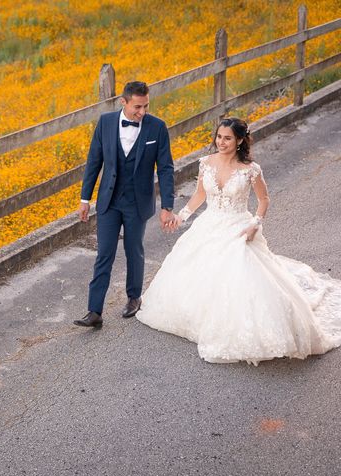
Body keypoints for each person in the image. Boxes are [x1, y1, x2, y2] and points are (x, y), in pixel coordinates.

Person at [137, 117, 341, 365]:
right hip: (209, 224)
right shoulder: (207, 163)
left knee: (240, 274)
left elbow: (264, 200)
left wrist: (256, 224)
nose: (221, 142)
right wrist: (181, 217)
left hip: (239, 226)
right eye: (219, 137)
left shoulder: (250, 170)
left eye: (227, 138)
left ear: (240, 141)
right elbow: (200, 194)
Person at [74, 81, 175, 328]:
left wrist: (167, 206)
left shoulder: (157, 127)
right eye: (137, 107)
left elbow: (165, 168)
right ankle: (94, 310)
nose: (142, 112)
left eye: (146, 106)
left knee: (134, 250)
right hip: (109, 200)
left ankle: (133, 297)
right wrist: (85, 199)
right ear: (124, 102)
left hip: (138, 201)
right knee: (104, 254)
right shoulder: (106, 122)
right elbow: (94, 162)